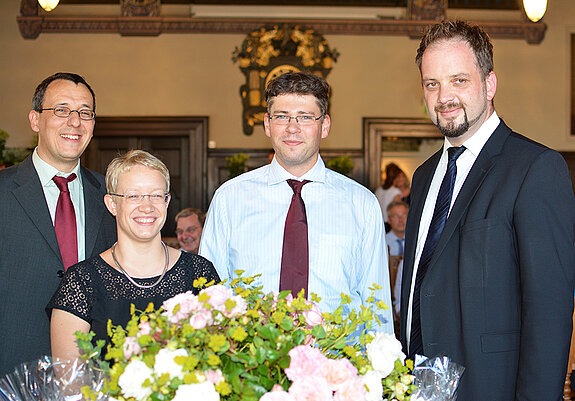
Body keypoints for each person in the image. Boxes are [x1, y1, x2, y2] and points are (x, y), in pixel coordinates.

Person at [399, 20, 575, 400]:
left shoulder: (535, 168)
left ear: (490, 83)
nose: (444, 96)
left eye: (458, 80)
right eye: (433, 84)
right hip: (419, 387)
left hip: (490, 388)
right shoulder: (424, 176)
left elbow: (549, 315)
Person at [200, 72, 393, 333]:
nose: (292, 127)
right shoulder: (229, 200)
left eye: (305, 117)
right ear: (267, 125)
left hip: (337, 366)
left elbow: (375, 303)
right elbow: (210, 297)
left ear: (324, 126)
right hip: (250, 367)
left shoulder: (361, 204)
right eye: (282, 116)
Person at [47, 150, 220, 360]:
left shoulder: (199, 272)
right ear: (112, 204)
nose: (146, 207)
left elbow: (219, 357)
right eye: (133, 196)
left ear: (167, 201)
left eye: (156, 195)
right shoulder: (81, 281)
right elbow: (69, 382)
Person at [0, 73, 117, 375]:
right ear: (35, 120)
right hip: (13, 370)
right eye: (61, 110)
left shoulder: (112, 197)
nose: (75, 122)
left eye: (85, 112)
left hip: (95, 371)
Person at [385, 200, 408, 318]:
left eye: (404, 215)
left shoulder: (418, 243)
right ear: (389, 220)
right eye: (396, 216)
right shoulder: (382, 243)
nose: (401, 220)